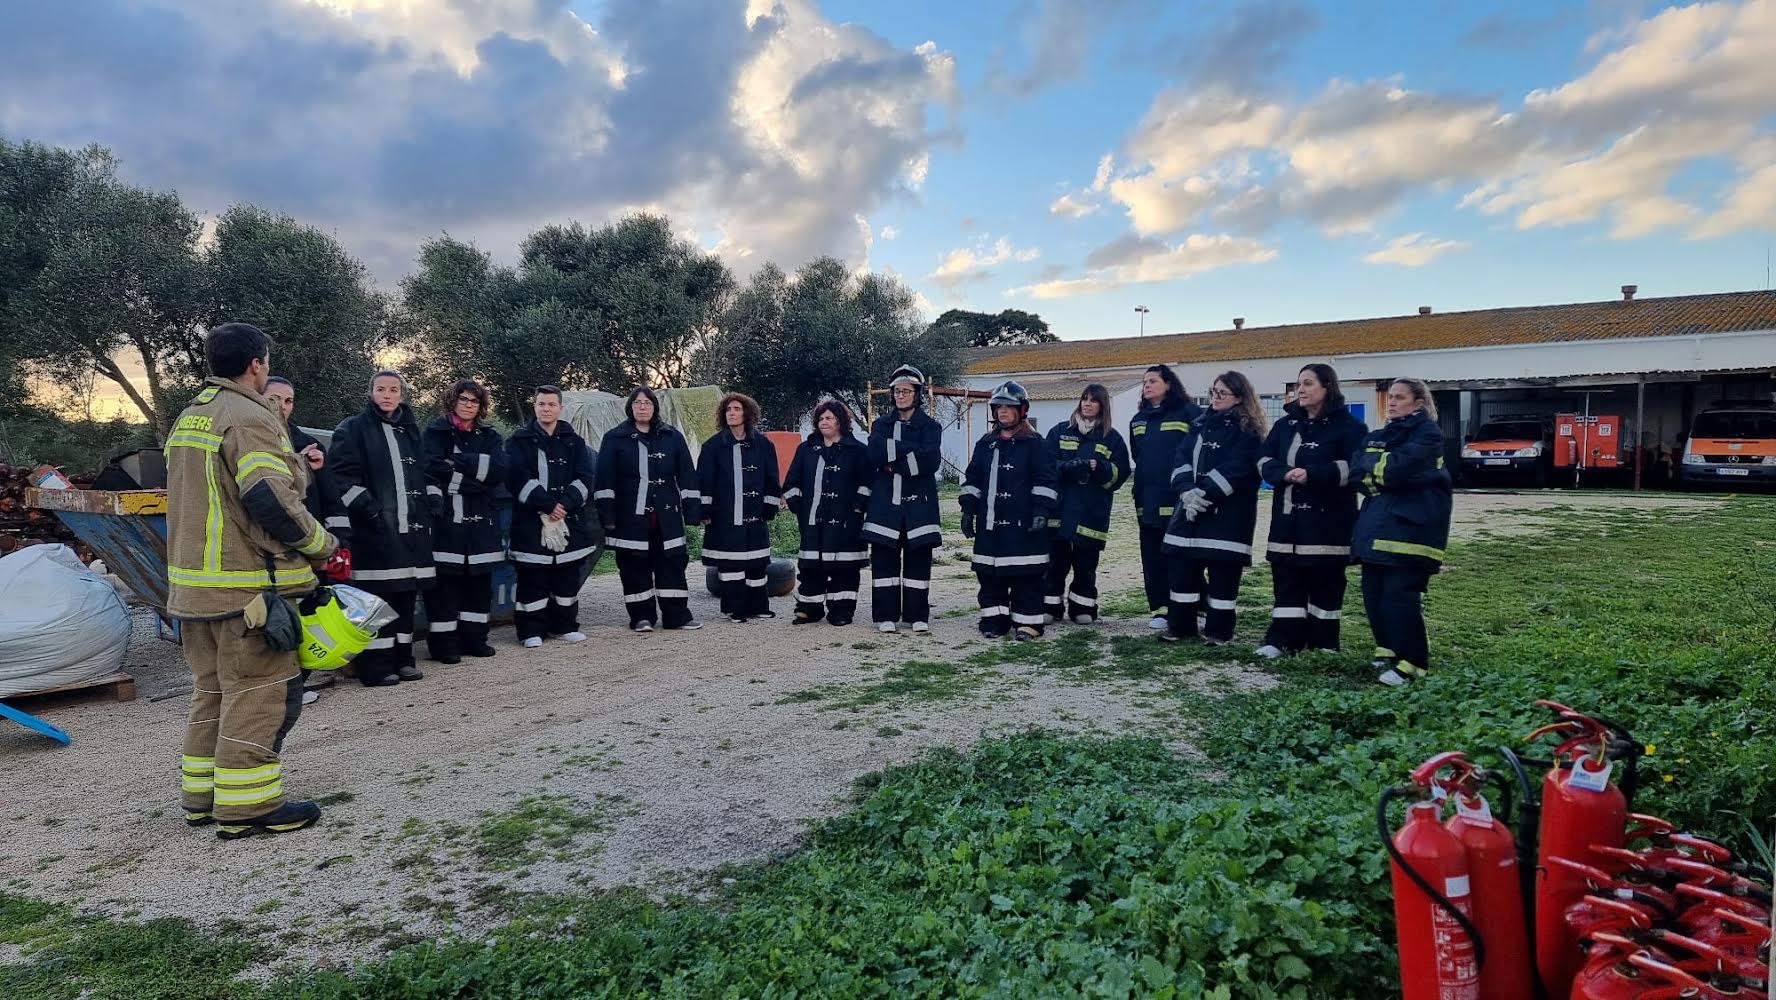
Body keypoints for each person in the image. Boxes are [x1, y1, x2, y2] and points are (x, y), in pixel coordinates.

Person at [166, 322, 339, 839]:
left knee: (213, 692)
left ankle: (202, 799)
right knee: (260, 694)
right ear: (257, 364)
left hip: (196, 589)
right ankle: (247, 808)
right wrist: (322, 547)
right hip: (247, 591)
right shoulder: (247, 416)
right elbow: (268, 498)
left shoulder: (191, 416)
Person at [330, 370, 436, 685]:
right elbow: (341, 477)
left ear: (401, 394)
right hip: (374, 533)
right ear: (371, 392)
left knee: (405, 598)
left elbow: (426, 472)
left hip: (412, 533)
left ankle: (403, 659)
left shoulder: (412, 430)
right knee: (377, 602)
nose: (387, 395)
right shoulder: (353, 429)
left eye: (393, 390)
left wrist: (432, 503)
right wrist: (370, 509)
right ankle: (375, 668)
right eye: (381, 389)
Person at [1255, 365, 1367, 659]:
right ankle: (1281, 640)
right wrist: (1284, 473)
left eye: (1308, 383)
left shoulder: (1350, 427)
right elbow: (1264, 459)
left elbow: (1355, 467)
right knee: (1287, 581)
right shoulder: (1285, 426)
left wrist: (1314, 474)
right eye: (1298, 384)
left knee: (1326, 584)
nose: (1300, 390)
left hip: (1329, 522)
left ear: (1327, 387)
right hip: (1287, 522)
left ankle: (1324, 643)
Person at [1351, 378, 1453, 687]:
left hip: (1412, 530)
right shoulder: (1379, 435)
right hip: (1377, 524)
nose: (1391, 402)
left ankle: (1413, 663)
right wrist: (1380, 471)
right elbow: (1358, 472)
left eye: (1399, 397)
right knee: (1373, 593)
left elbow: (1399, 468)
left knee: (1400, 596)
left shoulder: (1429, 435)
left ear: (1419, 403)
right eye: (1390, 397)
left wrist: (1379, 470)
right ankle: (1388, 649)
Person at [263, 376, 352, 704]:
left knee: (304, 614)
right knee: (277, 617)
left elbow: (330, 495)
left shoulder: (308, 444)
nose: (282, 407)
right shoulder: (254, 438)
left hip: (311, 545)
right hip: (273, 547)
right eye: (275, 399)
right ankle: (280, 687)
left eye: (288, 400)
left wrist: (340, 539)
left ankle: (297, 682)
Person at [1160, 371, 1265, 645]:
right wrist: (1186, 490)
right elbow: (1181, 458)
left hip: (1228, 516)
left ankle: (1219, 631)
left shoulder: (1248, 432)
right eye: (1213, 392)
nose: (1215, 398)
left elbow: (1239, 467)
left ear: (1239, 397)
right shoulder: (1198, 425)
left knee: (1222, 578)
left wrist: (1205, 493)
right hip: (1189, 511)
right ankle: (1181, 626)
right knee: (1182, 570)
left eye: (1222, 393)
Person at [595, 387, 703, 632]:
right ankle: (641, 617)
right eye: (637, 403)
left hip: (667, 515)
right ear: (630, 407)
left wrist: (693, 510)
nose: (642, 407)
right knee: (633, 566)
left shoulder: (672, 436)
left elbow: (687, 475)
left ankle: (677, 616)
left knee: (672, 564)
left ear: (655, 408)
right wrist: (607, 515)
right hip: (629, 516)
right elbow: (604, 480)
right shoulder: (614, 438)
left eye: (647, 403)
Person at [961, 381, 1058, 640]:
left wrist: (1041, 510)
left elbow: (1046, 480)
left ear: (1022, 410)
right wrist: (968, 510)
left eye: (1009, 407)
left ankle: (1028, 623)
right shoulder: (986, 444)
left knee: (1026, 577)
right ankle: (994, 619)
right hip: (990, 525)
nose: (1003, 412)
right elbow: (973, 479)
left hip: (1024, 525)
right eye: (999, 407)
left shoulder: (1036, 444)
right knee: (990, 576)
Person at [504, 385, 598, 647]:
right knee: (533, 578)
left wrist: (565, 504)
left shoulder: (575, 441)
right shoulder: (518, 441)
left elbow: (585, 477)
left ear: (560, 408)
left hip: (568, 520)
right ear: (534, 407)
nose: (546, 409)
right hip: (531, 522)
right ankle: (530, 631)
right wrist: (546, 504)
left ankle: (565, 625)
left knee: (566, 577)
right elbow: (516, 476)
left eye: (551, 404)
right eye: (541, 404)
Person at [423, 379, 509, 662]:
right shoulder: (436, 432)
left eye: (474, 401)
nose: (469, 405)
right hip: (448, 523)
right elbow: (432, 467)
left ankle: (475, 640)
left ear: (481, 405)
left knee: (479, 588)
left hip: (482, 524)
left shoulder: (490, 436)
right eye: (464, 399)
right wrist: (474, 477)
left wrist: (458, 464)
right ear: (453, 401)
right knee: (445, 589)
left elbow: (499, 469)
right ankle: (444, 646)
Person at [863, 365, 944, 634]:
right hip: (885, 504)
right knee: (884, 562)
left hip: (919, 506)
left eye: (906, 391)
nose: (900, 395)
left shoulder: (931, 426)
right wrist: (911, 451)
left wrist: (894, 460)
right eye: (897, 391)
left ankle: (916, 614)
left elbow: (930, 461)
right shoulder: (880, 425)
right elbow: (874, 454)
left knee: (918, 561)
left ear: (917, 393)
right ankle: (885, 615)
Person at [1043, 383, 1129, 625]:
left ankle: (1083, 608)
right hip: (1058, 512)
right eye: (1084, 399)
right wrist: (1067, 468)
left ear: (1103, 406)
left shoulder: (1112, 439)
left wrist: (1099, 467)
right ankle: (1050, 607)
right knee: (1054, 564)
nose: (1087, 404)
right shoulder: (1060, 431)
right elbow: (1045, 466)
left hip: (1091, 513)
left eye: (1093, 400)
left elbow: (1119, 475)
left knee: (1085, 565)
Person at [782, 400, 870, 626]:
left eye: (829, 417)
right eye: (821, 418)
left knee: (845, 568)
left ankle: (841, 610)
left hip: (846, 522)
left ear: (841, 421)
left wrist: (857, 508)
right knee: (811, 567)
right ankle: (809, 609)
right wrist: (799, 508)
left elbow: (868, 482)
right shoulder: (806, 449)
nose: (824, 422)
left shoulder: (858, 450)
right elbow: (791, 482)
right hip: (813, 520)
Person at [698, 392, 783, 623]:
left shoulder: (763, 444)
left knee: (757, 564)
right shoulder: (713, 446)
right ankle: (734, 609)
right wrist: (704, 510)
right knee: (731, 565)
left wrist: (770, 505)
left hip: (755, 514)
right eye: (728, 410)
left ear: (747, 413)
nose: (732, 413)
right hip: (725, 515)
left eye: (736, 409)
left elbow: (772, 477)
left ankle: (758, 605)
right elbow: (704, 480)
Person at [1128, 364, 1201, 630]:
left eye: (1153, 381)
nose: (1147, 385)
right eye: (1145, 381)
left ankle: (1193, 604)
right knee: (1152, 554)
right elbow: (1138, 456)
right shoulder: (1138, 420)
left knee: (1183, 553)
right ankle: (1160, 607)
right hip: (1147, 498)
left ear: (1169, 384)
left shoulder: (1189, 414)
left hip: (1178, 497)